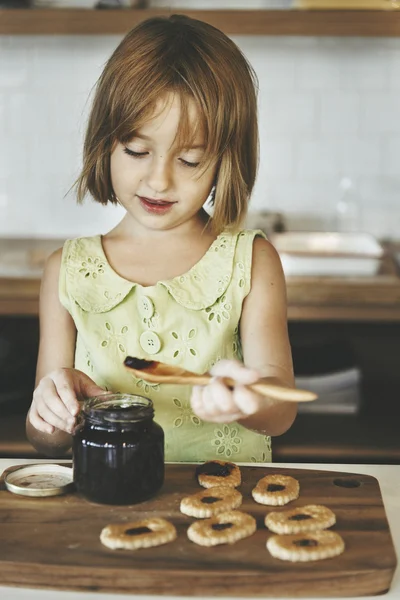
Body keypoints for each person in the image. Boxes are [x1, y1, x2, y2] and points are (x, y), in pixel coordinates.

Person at [26, 14, 296, 462]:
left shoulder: (251, 261)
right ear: (104, 144)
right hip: (107, 502)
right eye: (137, 151)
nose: (160, 180)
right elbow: (45, 439)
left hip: (222, 506)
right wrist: (52, 411)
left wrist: (251, 400)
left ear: (225, 163)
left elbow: (281, 412)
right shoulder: (67, 270)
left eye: (190, 160)